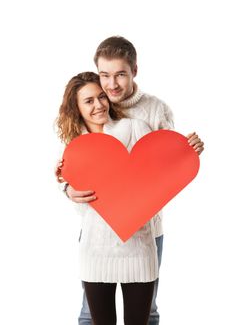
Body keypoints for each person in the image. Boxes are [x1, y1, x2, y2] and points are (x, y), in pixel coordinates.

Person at [56, 36, 204, 325]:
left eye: (120, 75)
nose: (110, 88)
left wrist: (188, 151)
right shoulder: (83, 135)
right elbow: (73, 175)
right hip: (97, 234)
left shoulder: (149, 113)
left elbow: (167, 165)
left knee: (146, 310)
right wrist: (65, 185)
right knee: (89, 313)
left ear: (134, 70)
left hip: (145, 227)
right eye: (105, 77)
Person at [56, 71, 162, 325]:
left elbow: (161, 168)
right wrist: (67, 188)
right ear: (77, 108)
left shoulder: (133, 127)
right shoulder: (75, 146)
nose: (99, 105)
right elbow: (73, 190)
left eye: (101, 97)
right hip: (95, 249)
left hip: (138, 246)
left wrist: (187, 149)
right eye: (89, 101)